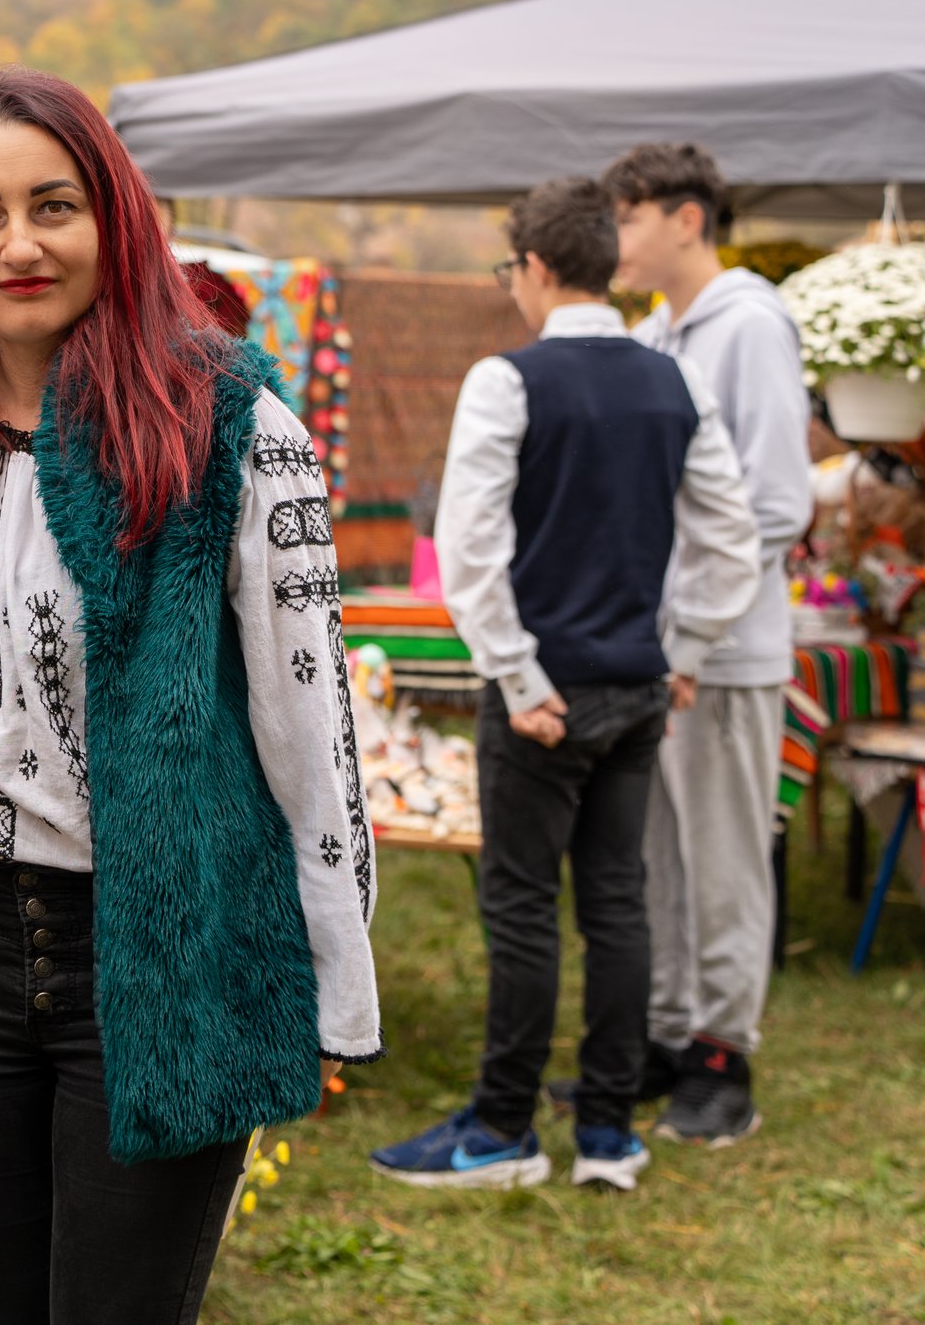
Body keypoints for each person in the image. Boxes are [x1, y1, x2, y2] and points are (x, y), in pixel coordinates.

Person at [0, 62, 380, 1324]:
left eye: (53, 204)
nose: (18, 243)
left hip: (156, 949)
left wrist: (331, 985)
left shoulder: (233, 424)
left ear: (116, 219)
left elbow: (312, 731)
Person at [372, 178, 758, 1195]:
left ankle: (502, 1129)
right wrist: (682, 651)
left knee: (524, 906)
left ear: (537, 268)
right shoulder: (673, 380)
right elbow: (732, 537)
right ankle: (606, 1133)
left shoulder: (508, 378)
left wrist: (515, 671)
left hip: (544, 694)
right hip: (636, 684)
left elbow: (467, 547)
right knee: (618, 902)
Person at [594, 142, 812, 1145]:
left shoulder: (750, 323)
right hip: (660, 645)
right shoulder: (664, 330)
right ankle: (668, 1037)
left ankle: (725, 1054)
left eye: (627, 218)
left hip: (721, 650)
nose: (615, 239)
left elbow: (773, 503)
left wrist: (690, 633)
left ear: (686, 218)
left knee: (723, 859)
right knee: (659, 859)